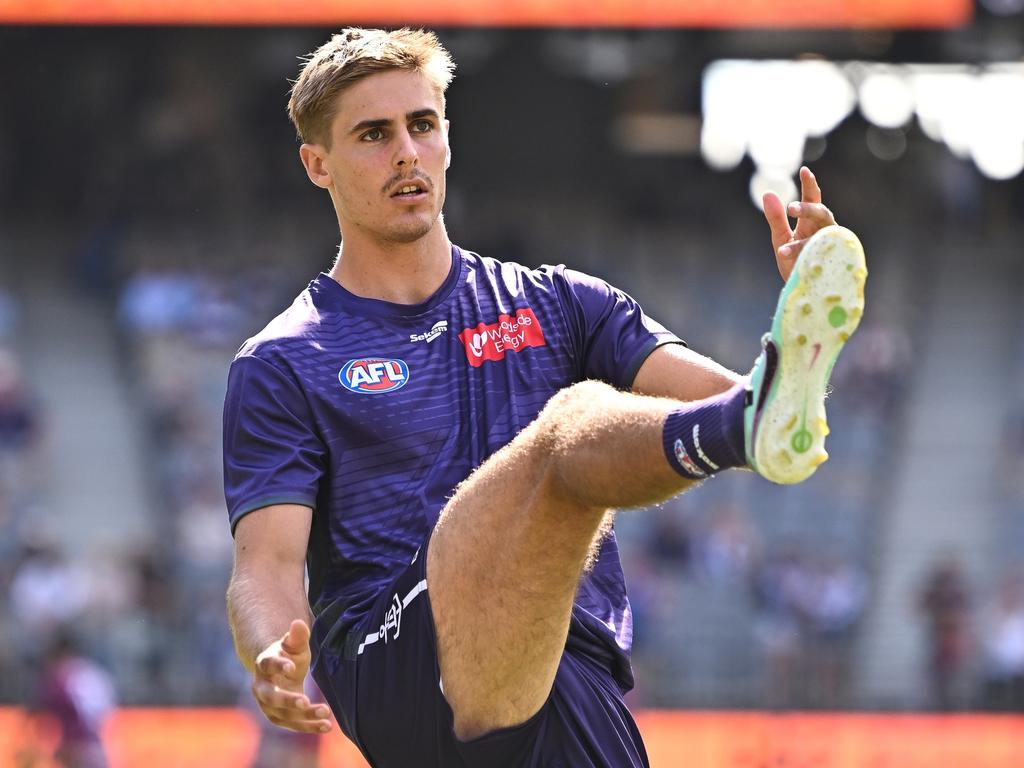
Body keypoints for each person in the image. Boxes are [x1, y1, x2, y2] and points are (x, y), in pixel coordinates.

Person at [223, 28, 866, 767]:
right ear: (317, 164)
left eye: (421, 125)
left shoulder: (560, 302)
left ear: (447, 137)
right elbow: (265, 566)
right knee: (569, 431)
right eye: (373, 134)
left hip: (566, 670)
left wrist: (795, 337)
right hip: (401, 664)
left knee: (703, 425)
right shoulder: (283, 360)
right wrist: (273, 649)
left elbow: (745, 406)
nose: (406, 152)